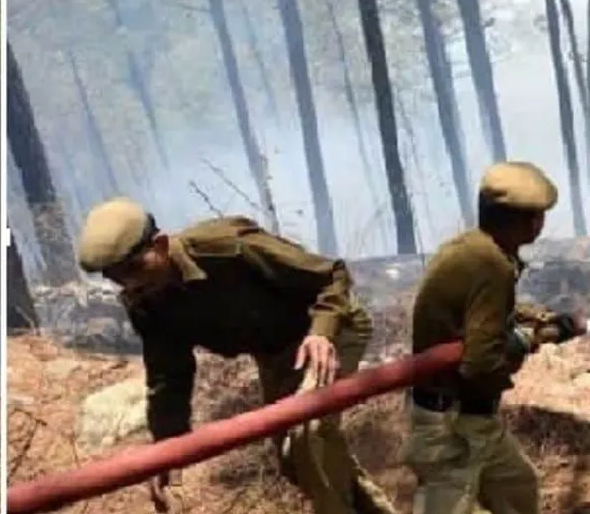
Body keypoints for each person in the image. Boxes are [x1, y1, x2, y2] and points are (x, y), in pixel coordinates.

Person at [76, 197, 396, 514]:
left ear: (160, 244)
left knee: (309, 439)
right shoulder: (148, 305)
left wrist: (322, 333)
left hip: (332, 326)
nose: (131, 283)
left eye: (135, 268)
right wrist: (166, 449)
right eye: (116, 276)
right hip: (278, 355)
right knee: (296, 461)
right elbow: (168, 379)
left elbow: (331, 275)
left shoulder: (227, 247)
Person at [406, 161, 587, 514]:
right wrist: (520, 344)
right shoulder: (491, 266)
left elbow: (487, 312)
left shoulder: (471, 248)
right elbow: (481, 363)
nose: (541, 224)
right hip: (451, 426)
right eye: (538, 216)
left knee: (518, 488)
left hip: (472, 420)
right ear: (528, 221)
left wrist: (548, 323)